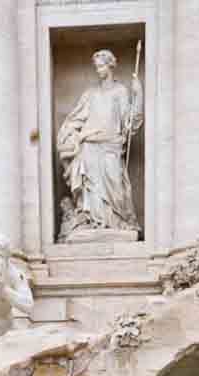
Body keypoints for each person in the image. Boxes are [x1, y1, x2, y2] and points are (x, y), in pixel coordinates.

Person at [56, 49, 143, 237]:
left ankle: (118, 222)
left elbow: (129, 124)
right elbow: (75, 119)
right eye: (96, 67)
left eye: (101, 66)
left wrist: (139, 95)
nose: (98, 70)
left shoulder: (120, 92)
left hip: (111, 145)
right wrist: (70, 135)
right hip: (90, 146)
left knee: (115, 186)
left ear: (111, 66)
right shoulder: (90, 94)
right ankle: (94, 222)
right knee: (92, 190)